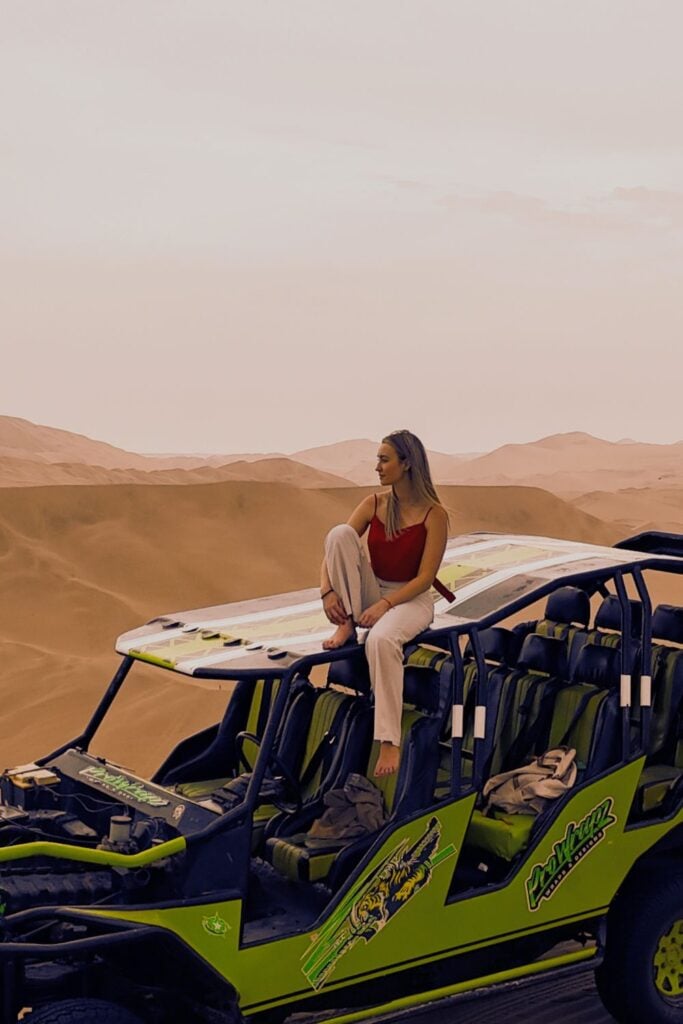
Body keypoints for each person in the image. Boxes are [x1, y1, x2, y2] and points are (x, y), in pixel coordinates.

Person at [320, 430, 449, 777]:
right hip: (373, 590)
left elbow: (425, 578)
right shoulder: (374, 504)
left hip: (411, 598)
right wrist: (327, 592)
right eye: (377, 459)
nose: (377, 467)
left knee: (381, 640)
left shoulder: (434, 515)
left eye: (384, 459)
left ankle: (389, 742)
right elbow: (334, 551)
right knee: (338, 534)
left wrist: (385, 606)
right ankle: (346, 622)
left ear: (406, 464)